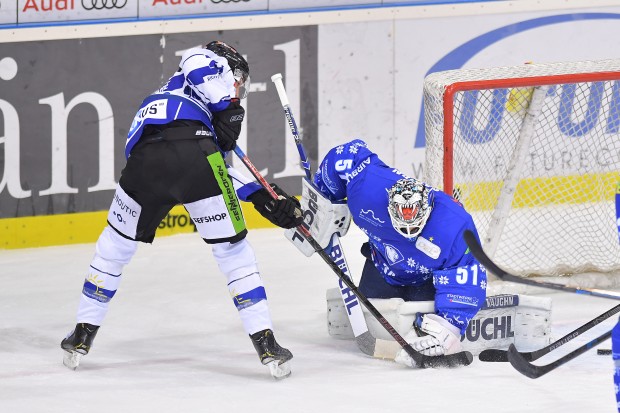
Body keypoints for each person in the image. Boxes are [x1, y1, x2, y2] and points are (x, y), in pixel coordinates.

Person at [60, 41, 303, 379]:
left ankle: (82, 334)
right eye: (239, 81)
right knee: (234, 254)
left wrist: (265, 196)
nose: (238, 89)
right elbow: (195, 64)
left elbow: (212, 163)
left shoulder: (163, 104)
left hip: (146, 167)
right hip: (190, 153)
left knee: (113, 248)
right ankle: (266, 344)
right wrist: (228, 103)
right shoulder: (203, 61)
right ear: (228, 65)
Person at [308, 138, 487, 367]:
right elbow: (344, 157)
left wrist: (448, 328)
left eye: (415, 226)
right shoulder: (369, 190)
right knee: (376, 321)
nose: (408, 232)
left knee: (413, 327)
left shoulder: (454, 224)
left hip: (427, 280)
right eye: (402, 225)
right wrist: (321, 199)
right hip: (382, 266)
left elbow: (467, 271)